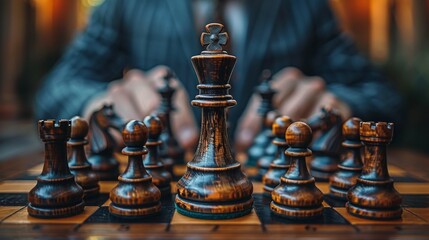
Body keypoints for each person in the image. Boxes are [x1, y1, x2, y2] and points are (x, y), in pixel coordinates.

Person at [35, 0, 402, 153]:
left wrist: (341, 109)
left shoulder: (307, 6)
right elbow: (54, 91)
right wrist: (96, 106)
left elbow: (385, 98)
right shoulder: (126, 5)